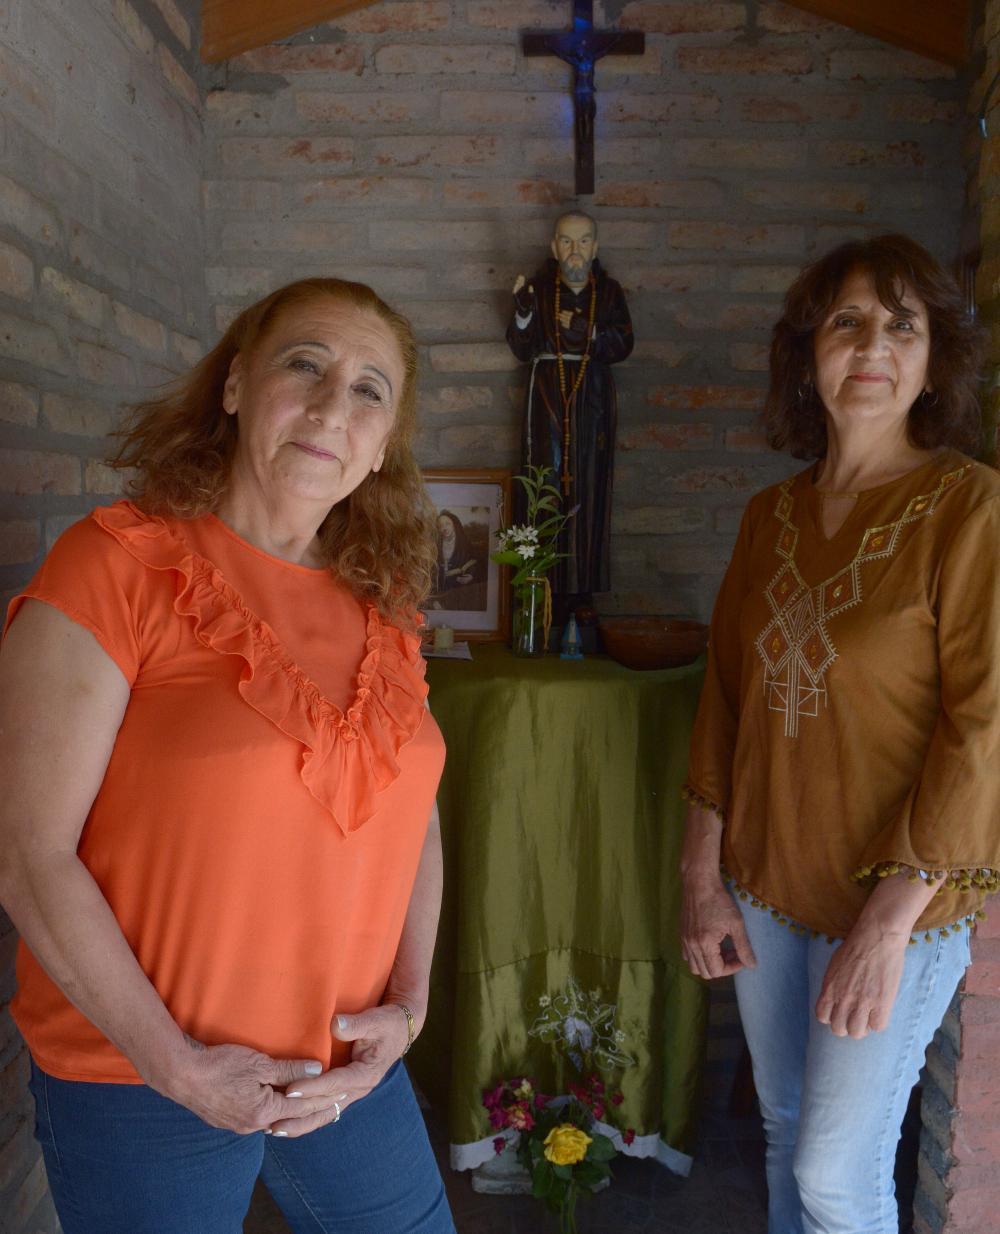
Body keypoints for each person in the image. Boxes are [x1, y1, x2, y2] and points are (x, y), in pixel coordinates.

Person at [0, 277, 457, 1234]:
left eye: (369, 390)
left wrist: (408, 1012)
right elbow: (28, 855)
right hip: (142, 1080)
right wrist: (178, 1067)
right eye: (306, 364)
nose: (332, 406)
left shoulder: (387, 611)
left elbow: (413, 825)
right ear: (237, 384)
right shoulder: (117, 565)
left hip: (348, 1079)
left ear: (383, 447)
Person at [680, 235, 1000, 1234]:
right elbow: (723, 699)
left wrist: (888, 924)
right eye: (846, 322)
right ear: (807, 354)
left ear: (933, 362)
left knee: (834, 1173)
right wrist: (700, 876)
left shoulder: (969, 507)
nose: (871, 346)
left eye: (902, 326)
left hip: (899, 899)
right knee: (785, 1133)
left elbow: (982, 728)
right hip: (766, 886)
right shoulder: (767, 515)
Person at [506, 211, 633, 618]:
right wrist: (524, 313)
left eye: (583, 241)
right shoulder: (540, 290)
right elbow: (523, 347)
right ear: (553, 247)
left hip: (592, 398)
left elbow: (623, 343)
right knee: (544, 479)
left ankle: (582, 594)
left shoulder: (608, 292)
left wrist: (584, 330)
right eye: (566, 241)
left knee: (589, 485)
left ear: (595, 247)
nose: (574, 250)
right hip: (548, 393)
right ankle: (542, 586)